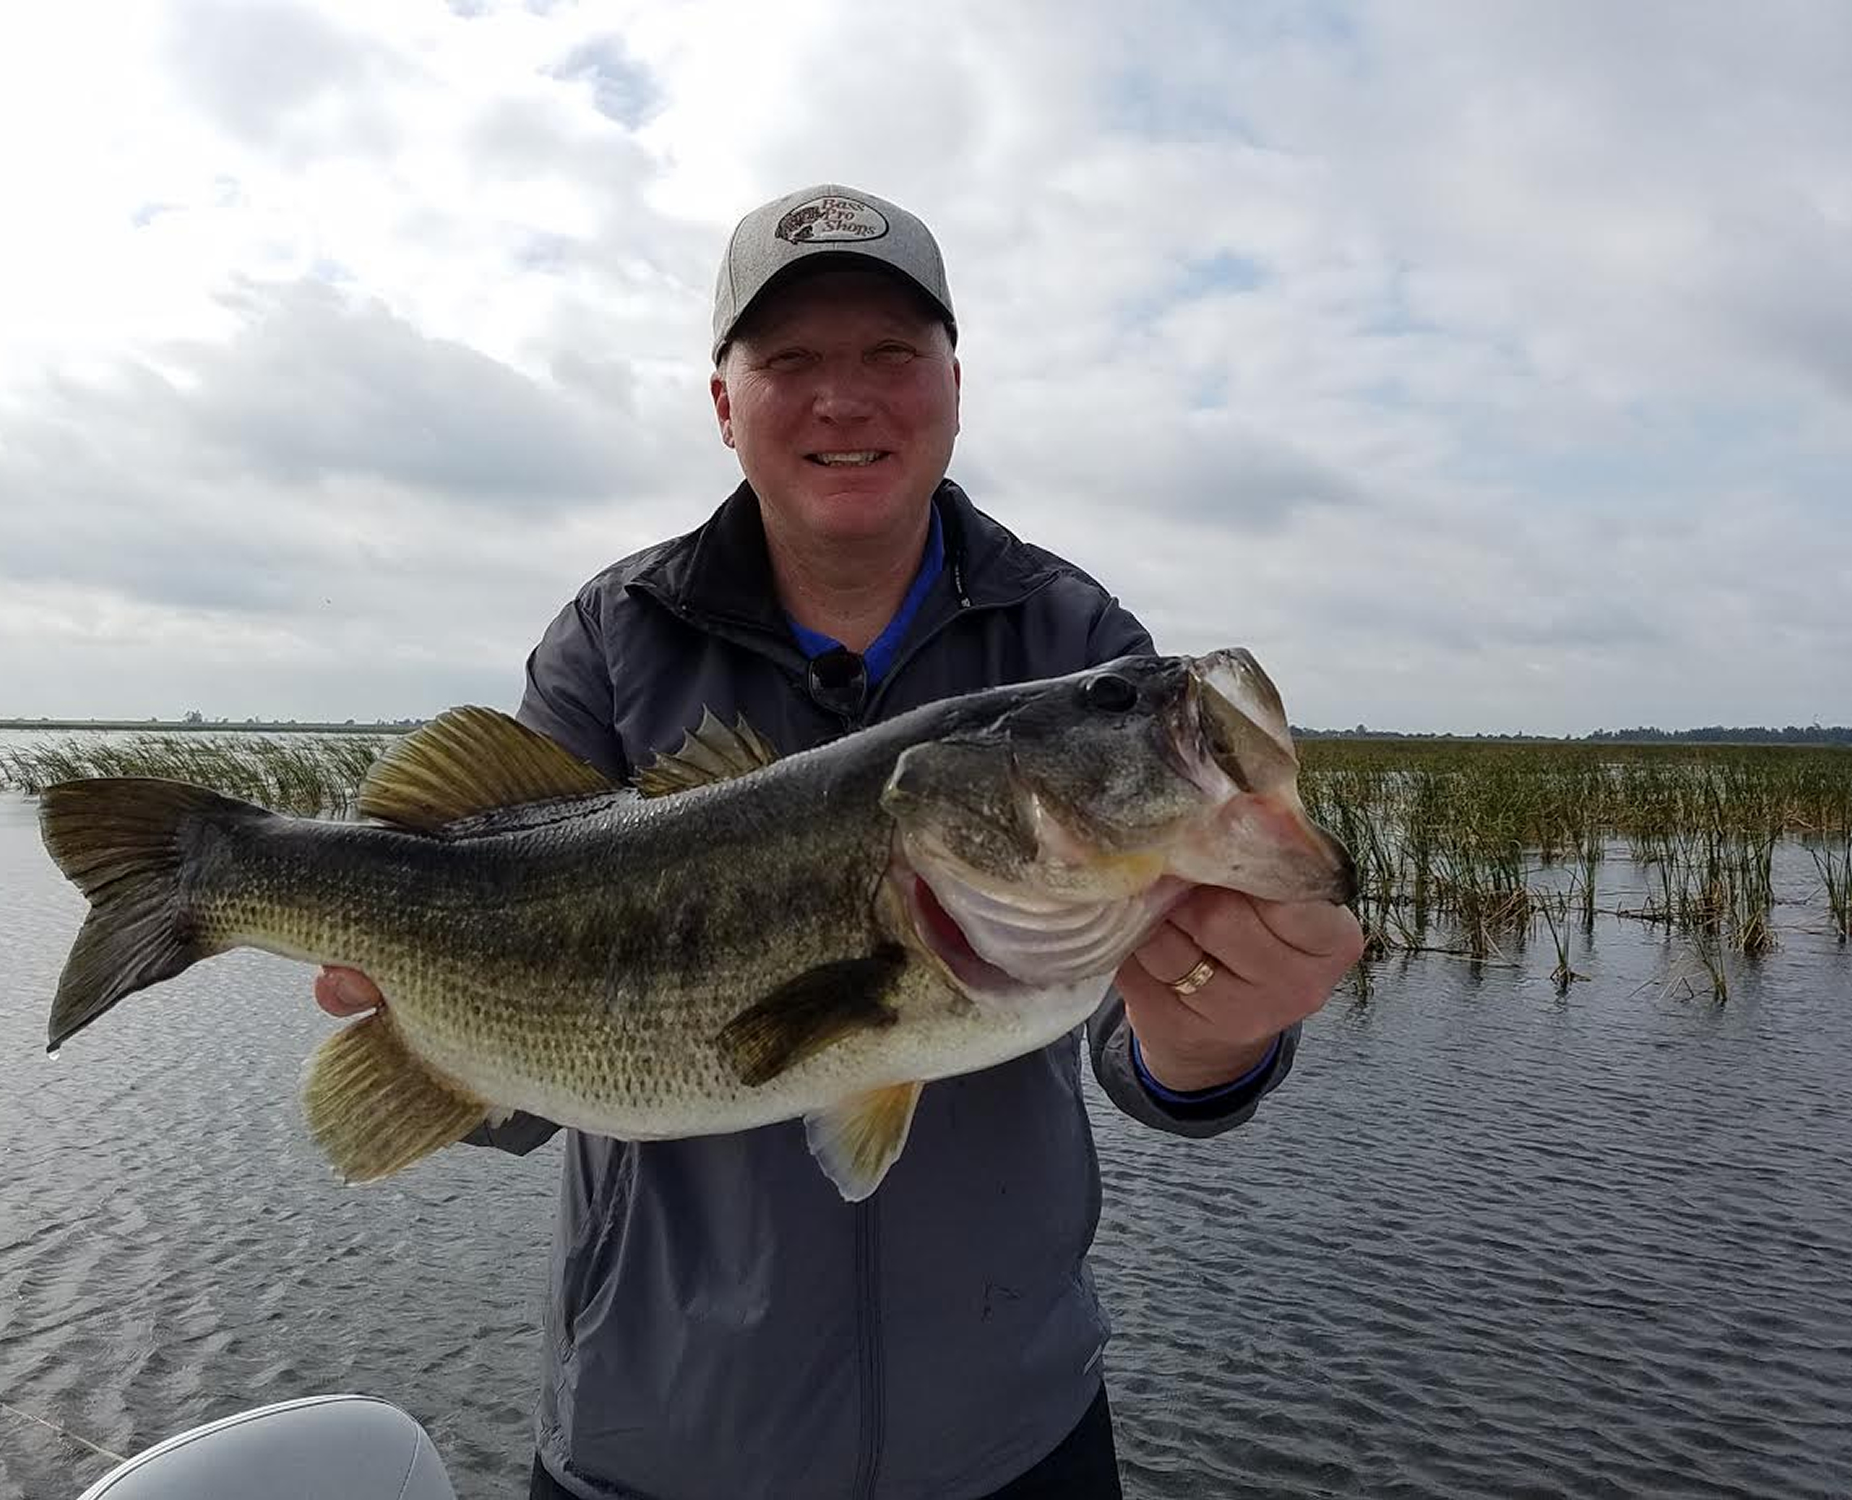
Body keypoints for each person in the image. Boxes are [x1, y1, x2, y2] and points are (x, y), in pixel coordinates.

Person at [314, 184, 1364, 1500]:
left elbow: (1136, 1042)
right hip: (659, 1449)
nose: (844, 399)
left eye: (889, 355)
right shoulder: (612, 640)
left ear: (954, 387)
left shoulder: (1078, 641)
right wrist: (425, 1016)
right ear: (723, 403)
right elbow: (531, 1085)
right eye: (791, 359)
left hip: (1012, 1443)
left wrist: (1217, 1040)